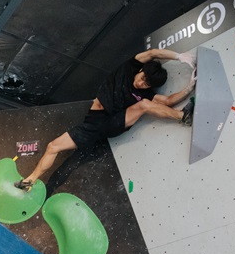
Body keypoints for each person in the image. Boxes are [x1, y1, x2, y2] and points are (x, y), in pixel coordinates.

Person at [16, 48, 196, 190]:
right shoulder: (129, 67)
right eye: (142, 78)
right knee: (52, 146)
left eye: (146, 84)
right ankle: (30, 180)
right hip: (93, 124)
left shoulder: (144, 94)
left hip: (114, 123)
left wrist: (189, 87)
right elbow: (153, 53)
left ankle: (183, 116)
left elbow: (167, 101)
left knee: (145, 105)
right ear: (140, 70)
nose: (141, 83)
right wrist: (179, 56)